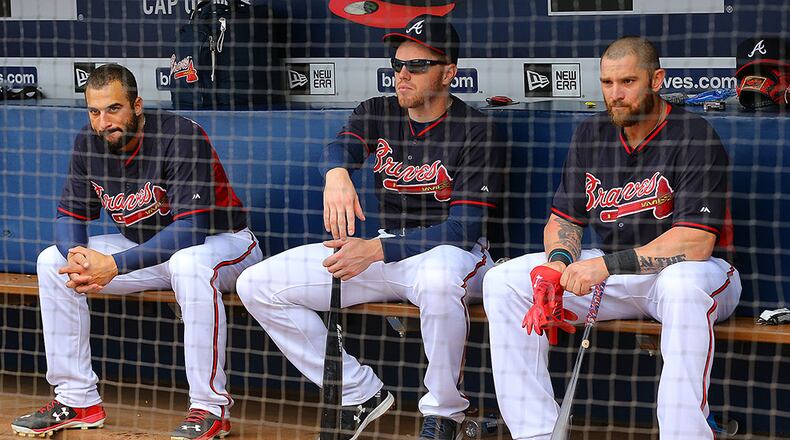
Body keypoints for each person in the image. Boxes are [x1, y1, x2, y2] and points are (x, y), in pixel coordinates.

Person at [236, 14, 504, 440]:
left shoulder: (476, 130)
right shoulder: (377, 112)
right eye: (397, 65)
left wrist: (374, 251)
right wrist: (336, 173)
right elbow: (339, 146)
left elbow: (462, 230)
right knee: (257, 284)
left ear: (449, 72)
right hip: (386, 249)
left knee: (437, 281)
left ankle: (444, 414)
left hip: (454, 257)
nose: (402, 75)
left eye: (417, 66)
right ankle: (358, 392)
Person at [483, 36, 741, 440]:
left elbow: (695, 243)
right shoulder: (591, 134)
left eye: (627, 82)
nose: (615, 95)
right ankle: (535, 433)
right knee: (504, 282)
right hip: (613, 273)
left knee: (683, 285)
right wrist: (558, 264)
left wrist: (603, 266)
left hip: (697, 276)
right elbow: (563, 220)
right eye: (607, 83)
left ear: (657, 79)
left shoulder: (694, 135)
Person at [10, 64, 262, 440]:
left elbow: (190, 232)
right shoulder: (88, 142)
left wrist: (113, 265)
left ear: (137, 105)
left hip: (223, 245)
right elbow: (69, 214)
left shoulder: (179, 135)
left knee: (188, 264)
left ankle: (210, 408)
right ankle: (77, 399)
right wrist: (77, 253)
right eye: (94, 112)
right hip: (147, 251)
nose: (103, 121)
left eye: (113, 109)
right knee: (52, 261)